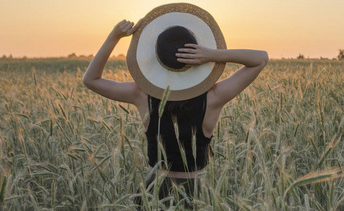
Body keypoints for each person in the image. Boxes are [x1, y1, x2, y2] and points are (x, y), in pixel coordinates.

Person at [83, 18, 268, 207]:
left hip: (153, 192)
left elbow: (91, 80)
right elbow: (261, 58)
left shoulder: (141, 95)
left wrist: (114, 37)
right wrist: (212, 55)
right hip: (195, 194)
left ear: (158, 60)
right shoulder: (213, 98)